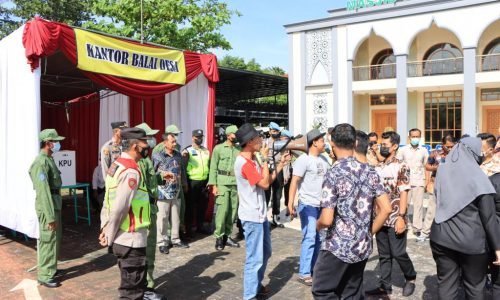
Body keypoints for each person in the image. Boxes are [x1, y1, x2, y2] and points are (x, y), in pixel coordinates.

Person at [313, 124, 392, 299]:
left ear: (332, 143)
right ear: (355, 143)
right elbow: (386, 209)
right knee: (352, 292)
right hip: (362, 246)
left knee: (322, 290)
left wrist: (316, 226)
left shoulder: (333, 173)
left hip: (337, 246)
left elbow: (326, 219)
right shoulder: (370, 171)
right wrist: (367, 232)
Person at [430, 137, 500, 299]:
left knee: (446, 284)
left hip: (441, 237)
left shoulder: (442, 171)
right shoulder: (480, 179)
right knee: (474, 287)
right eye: (480, 152)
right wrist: (497, 248)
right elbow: (489, 218)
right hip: (472, 244)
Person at [234, 123, 289, 300]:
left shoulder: (252, 160)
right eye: (258, 138)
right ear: (250, 141)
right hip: (252, 216)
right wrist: (265, 160)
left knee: (265, 253)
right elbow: (265, 184)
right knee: (254, 258)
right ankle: (250, 295)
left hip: (259, 215)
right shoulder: (245, 163)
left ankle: (256, 285)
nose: (261, 141)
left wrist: (280, 165)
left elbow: (266, 181)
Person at [99, 127, 152, 299]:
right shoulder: (131, 170)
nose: (148, 145)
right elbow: (120, 207)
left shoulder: (116, 165)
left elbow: (108, 200)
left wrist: (105, 228)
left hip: (122, 236)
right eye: (145, 142)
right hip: (131, 238)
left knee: (130, 286)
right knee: (131, 293)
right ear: (135, 146)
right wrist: (109, 234)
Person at [366, 131, 417, 297]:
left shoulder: (402, 166)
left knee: (398, 252)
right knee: (384, 255)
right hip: (379, 218)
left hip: (395, 217)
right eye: (381, 144)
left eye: (385, 145)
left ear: (395, 146)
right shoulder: (378, 167)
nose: (382, 147)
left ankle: (410, 277)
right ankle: (384, 287)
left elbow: (403, 192)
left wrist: (401, 217)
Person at [287, 129, 329, 286]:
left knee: (319, 238)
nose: (324, 143)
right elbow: (294, 181)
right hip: (307, 204)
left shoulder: (324, 159)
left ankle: (314, 269)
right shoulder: (303, 160)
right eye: (322, 140)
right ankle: (304, 272)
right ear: (315, 142)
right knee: (310, 236)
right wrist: (290, 203)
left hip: (321, 205)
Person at [29, 129, 65, 288]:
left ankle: (51, 269)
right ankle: (45, 275)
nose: (57, 144)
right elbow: (43, 192)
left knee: (55, 239)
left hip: (54, 204)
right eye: (55, 141)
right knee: (48, 240)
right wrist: (50, 216)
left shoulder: (49, 159)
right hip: (47, 206)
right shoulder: (41, 162)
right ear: (48, 143)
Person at [134, 123, 165, 300]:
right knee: (145, 251)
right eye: (148, 138)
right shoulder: (139, 162)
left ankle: (147, 284)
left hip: (150, 209)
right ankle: (144, 288)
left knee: (149, 250)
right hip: (144, 212)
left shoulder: (146, 160)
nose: (152, 141)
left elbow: (150, 182)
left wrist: (161, 177)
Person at [153, 132, 189, 251]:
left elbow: (182, 171)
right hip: (163, 192)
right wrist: (163, 174)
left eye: (175, 141)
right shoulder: (158, 156)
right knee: (162, 217)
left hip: (176, 191)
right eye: (172, 142)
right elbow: (152, 174)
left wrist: (184, 183)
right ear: (165, 143)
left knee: (176, 217)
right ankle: (162, 242)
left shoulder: (178, 155)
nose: (174, 144)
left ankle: (175, 239)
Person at [208, 125, 241, 250]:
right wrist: (214, 186)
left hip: (235, 183)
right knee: (222, 212)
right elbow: (213, 168)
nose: (237, 136)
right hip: (222, 182)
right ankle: (219, 237)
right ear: (228, 135)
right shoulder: (219, 149)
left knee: (232, 212)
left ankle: (227, 236)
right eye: (235, 134)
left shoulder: (239, 149)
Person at [419, 133, 457, 242]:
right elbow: (427, 166)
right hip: (437, 184)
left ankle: (449, 233)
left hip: (452, 186)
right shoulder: (435, 154)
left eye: (452, 146)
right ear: (442, 145)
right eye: (447, 146)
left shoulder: (458, 155)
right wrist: (438, 167)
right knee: (432, 209)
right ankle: (425, 232)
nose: (449, 149)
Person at [397, 128, 429, 237]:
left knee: (418, 206)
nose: (415, 138)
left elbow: (427, 166)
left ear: (420, 137)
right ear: (409, 137)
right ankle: (403, 224)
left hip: (419, 181)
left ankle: (417, 228)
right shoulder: (403, 150)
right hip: (405, 182)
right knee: (404, 205)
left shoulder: (424, 150)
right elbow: (398, 165)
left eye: (417, 136)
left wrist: (427, 182)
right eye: (413, 136)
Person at [182, 129, 211, 237]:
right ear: (193, 137)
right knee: (190, 207)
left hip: (204, 182)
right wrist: (185, 183)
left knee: (202, 206)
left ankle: (200, 226)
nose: (199, 139)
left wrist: (210, 181)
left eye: (201, 137)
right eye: (197, 137)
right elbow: (183, 169)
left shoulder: (206, 151)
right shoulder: (187, 150)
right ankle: (188, 229)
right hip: (192, 182)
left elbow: (210, 166)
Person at [265, 121, 285, 228]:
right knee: (266, 193)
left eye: (277, 131)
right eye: (273, 131)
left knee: (277, 193)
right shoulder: (264, 142)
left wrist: (285, 173)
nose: (275, 133)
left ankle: (275, 216)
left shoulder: (281, 143)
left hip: (278, 169)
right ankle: (264, 217)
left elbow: (285, 158)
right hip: (267, 170)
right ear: (269, 131)